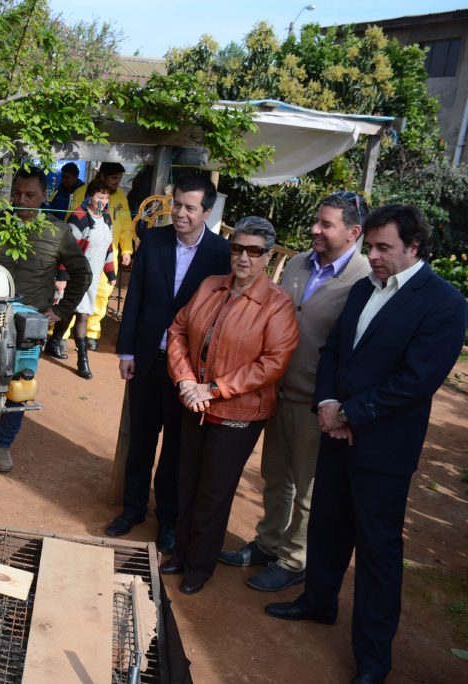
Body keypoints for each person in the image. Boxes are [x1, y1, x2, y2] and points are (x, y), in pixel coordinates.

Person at [267, 205, 468, 684]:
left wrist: (350, 414)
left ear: (414, 247)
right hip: (336, 434)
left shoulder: (444, 302)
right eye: (370, 246)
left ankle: (373, 659)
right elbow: (334, 351)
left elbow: (417, 380)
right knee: (328, 527)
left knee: (377, 552)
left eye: (383, 248)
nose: (372, 256)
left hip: (384, 451)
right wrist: (328, 404)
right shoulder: (363, 288)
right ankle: (318, 602)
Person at [220, 192, 371, 592]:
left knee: (308, 488)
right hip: (278, 391)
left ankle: (294, 559)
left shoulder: (363, 279)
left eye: (326, 224)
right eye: (317, 221)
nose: (315, 229)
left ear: (353, 232)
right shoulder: (300, 263)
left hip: (318, 403)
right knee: (275, 476)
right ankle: (268, 543)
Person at [159, 217, 299, 595]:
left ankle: (199, 566)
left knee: (213, 492)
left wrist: (215, 389)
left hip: (238, 413)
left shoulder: (277, 304)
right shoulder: (210, 285)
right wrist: (186, 380)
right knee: (187, 482)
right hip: (195, 402)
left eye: (254, 251)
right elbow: (178, 330)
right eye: (237, 248)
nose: (243, 258)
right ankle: (181, 554)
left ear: (267, 257)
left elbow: (273, 362)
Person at [106, 174, 231, 553]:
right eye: (177, 204)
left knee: (177, 448)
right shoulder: (155, 241)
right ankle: (132, 509)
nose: (180, 213)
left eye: (190, 207)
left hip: (188, 370)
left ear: (206, 212)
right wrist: (127, 352)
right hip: (146, 360)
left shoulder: (221, 254)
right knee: (140, 440)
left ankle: (168, 520)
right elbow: (135, 297)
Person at [0, 167, 91, 472]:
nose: (21, 200)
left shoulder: (57, 232)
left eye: (30, 195)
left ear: (44, 196)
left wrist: (61, 310)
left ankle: (4, 444)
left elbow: (82, 273)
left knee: (21, 384)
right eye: (16, 194)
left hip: (30, 323)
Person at [68, 162, 134, 350]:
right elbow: (71, 224)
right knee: (72, 293)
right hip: (82, 254)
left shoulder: (121, 197)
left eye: (119, 178)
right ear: (102, 176)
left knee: (101, 295)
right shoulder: (81, 193)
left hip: (108, 254)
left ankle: (92, 331)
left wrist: (127, 249)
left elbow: (126, 225)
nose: (117, 182)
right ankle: (61, 334)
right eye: (114, 178)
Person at [59, 179, 117, 379]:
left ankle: (54, 341)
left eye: (106, 197)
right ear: (90, 197)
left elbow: (108, 247)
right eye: (100, 196)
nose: (104, 201)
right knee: (82, 314)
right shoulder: (79, 217)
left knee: (71, 311)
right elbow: (66, 249)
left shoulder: (106, 218)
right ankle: (82, 361)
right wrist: (62, 276)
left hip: (94, 277)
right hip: (76, 276)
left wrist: (111, 273)